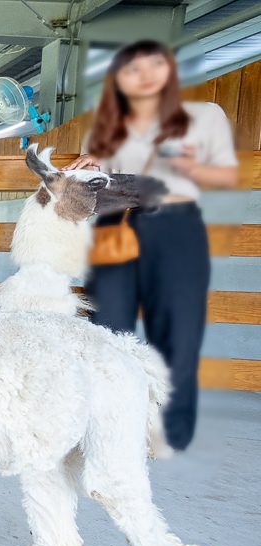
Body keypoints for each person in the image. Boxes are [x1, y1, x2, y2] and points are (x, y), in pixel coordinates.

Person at [65, 40, 238, 451]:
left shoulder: (204, 115)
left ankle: (167, 427)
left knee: (174, 328)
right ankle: (103, 423)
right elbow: (103, 188)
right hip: (116, 226)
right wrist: (94, 163)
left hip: (173, 227)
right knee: (108, 327)